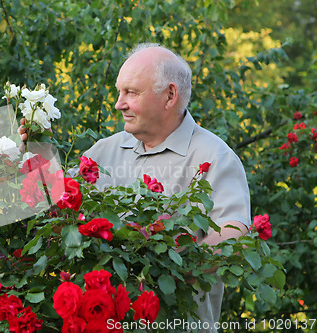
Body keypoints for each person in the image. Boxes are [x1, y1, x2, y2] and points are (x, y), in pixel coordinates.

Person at [19, 43, 251, 332]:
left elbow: (235, 233)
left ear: (169, 96)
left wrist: (171, 272)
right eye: (119, 92)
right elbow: (57, 214)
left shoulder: (214, 156)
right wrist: (35, 153)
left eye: (131, 92)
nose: (119, 103)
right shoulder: (104, 151)